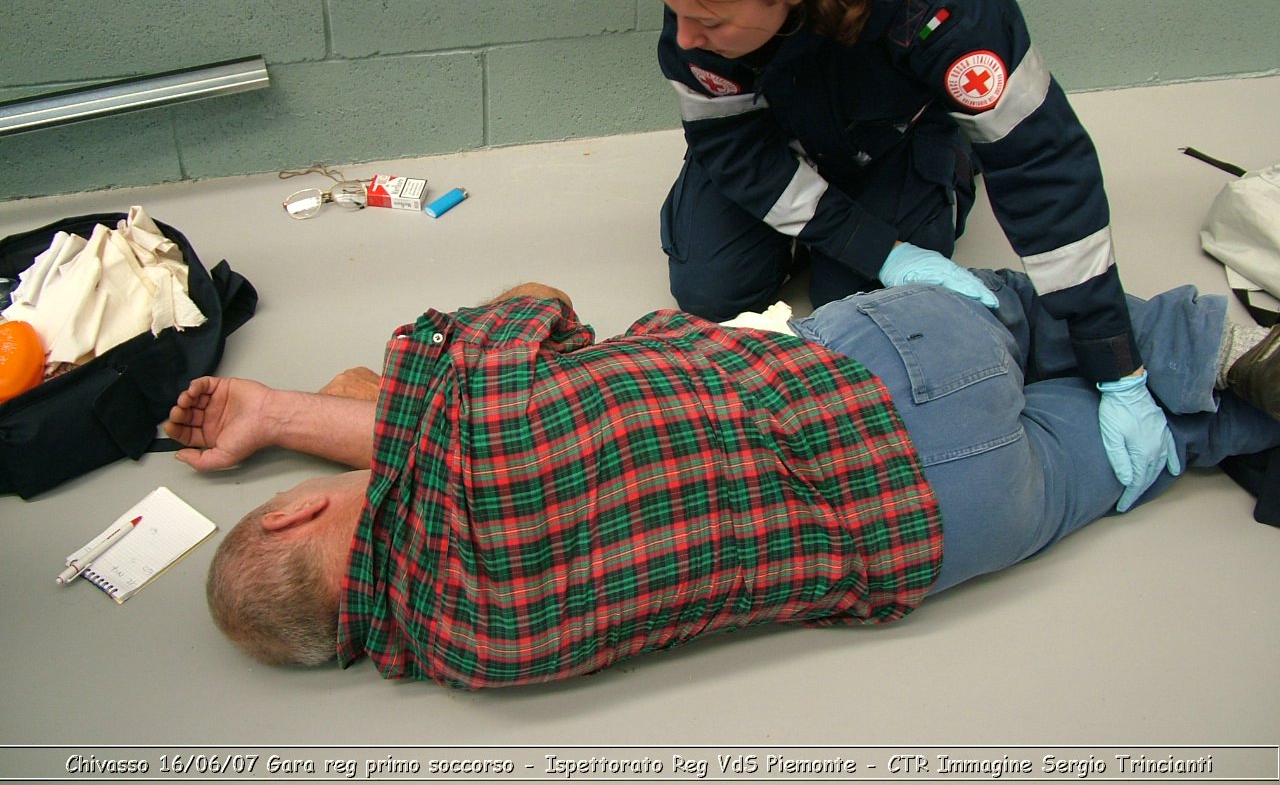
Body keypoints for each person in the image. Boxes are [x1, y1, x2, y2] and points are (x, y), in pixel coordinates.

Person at [165, 275, 1280, 689]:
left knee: (1153, 447)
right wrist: (321, 404)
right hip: (870, 373)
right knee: (1037, 317)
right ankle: (1209, 336)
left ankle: (1221, 422)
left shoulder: (478, 657)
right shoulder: (464, 410)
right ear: (294, 504)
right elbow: (540, 301)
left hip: (949, 532)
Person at [645, 0, 1178, 512]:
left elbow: (1041, 159)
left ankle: (934, 174)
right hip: (780, 123)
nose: (684, 38)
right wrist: (881, 247)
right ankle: (823, 212)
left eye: (710, 20)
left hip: (894, 130)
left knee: (856, 311)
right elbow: (730, 140)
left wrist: (1117, 368)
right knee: (709, 285)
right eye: (677, 10)